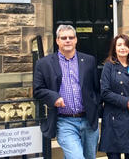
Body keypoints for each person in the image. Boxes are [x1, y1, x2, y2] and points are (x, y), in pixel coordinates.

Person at [33, 25, 100, 159]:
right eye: (64, 38)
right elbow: (37, 90)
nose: (68, 40)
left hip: (88, 120)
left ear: (76, 40)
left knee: (89, 157)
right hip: (64, 121)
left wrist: (95, 106)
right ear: (57, 40)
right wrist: (54, 97)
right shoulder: (44, 63)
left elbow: (96, 88)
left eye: (71, 37)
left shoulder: (89, 60)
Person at [98, 34, 129, 159]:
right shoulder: (108, 66)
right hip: (113, 119)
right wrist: (126, 102)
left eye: (126, 45)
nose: (123, 48)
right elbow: (105, 92)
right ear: (114, 48)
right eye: (119, 45)